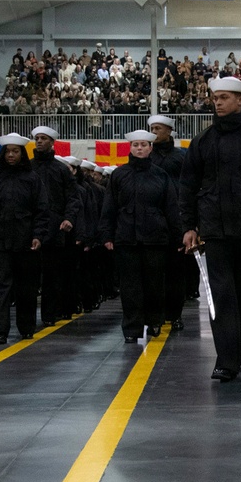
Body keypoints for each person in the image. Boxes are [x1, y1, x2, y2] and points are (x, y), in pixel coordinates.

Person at [179, 76, 241, 382]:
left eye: (224, 98)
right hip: (214, 232)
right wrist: (189, 226)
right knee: (221, 296)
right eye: (216, 98)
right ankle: (226, 360)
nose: (218, 102)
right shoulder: (203, 141)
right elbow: (188, 186)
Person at [99, 129, 181, 343]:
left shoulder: (160, 175)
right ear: (130, 148)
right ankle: (131, 328)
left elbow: (171, 208)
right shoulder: (119, 175)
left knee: (155, 284)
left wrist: (177, 236)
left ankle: (154, 321)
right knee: (130, 286)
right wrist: (107, 234)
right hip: (126, 238)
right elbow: (109, 207)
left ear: (150, 148)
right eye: (136, 145)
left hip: (155, 238)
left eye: (144, 145)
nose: (139, 148)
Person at [0, 132, 49, 344]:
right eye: (8, 152)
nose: (11, 155)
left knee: (26, 286)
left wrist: (38, 235)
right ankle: (0, 330)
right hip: (0, 240)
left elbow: (42, 210)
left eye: (16, 151)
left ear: (22, 154)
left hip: (26, 241)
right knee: (2, 286)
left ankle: (26, 327)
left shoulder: (33, 179)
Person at [29, 126, 82, 326]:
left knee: (52, 275)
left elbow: (73, 197)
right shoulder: (29, 167)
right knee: (30, 276)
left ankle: (50, 315)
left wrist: (68, 218)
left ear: (52, 143)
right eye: (37, 138)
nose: (39, 142)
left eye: (44, 138)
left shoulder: (61, 170)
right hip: (29, 228)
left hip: (54, 229)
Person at [148, 114, 190, 327]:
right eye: (152, 128)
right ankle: (155, 314)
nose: (154, 131)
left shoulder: (181, 157)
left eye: (158, 128)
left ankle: (175, 314)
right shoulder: (147, 158)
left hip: (177, 221)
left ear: (169, 131)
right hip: (153, 221)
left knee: (175, 272)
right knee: (153, 273)